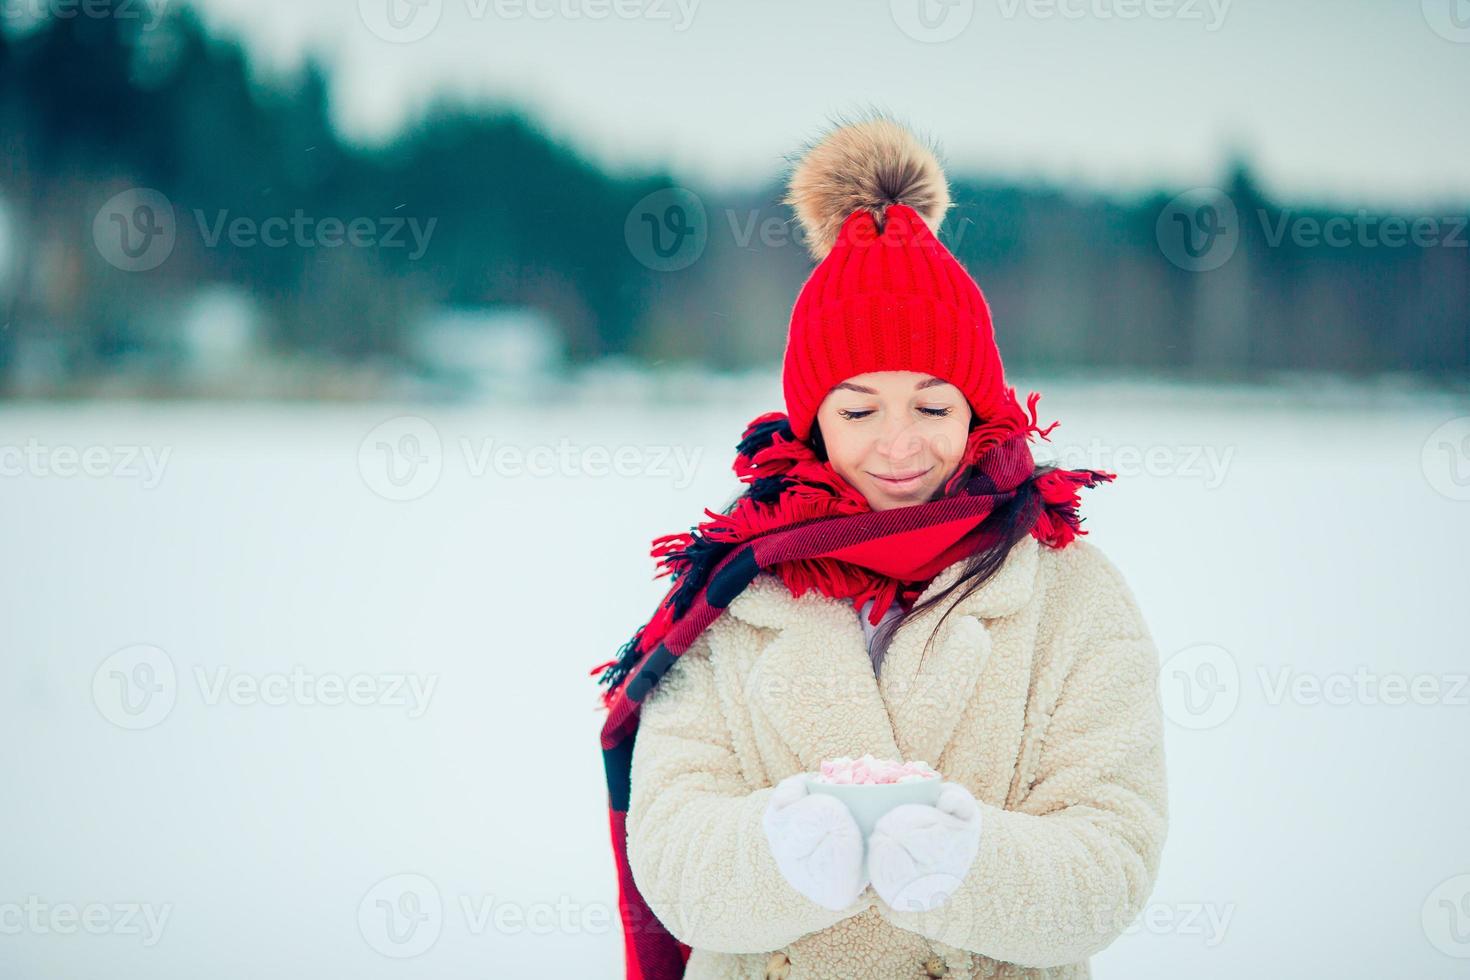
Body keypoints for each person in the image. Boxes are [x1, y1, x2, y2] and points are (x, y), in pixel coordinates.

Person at [592, 113, 1168, 980]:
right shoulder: (733, 593)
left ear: (979, 410)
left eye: (933, 408)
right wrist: (781, 853)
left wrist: (965, 865)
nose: (899, 446)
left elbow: (1113, 857)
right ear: (812, 421)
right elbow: (670, 849)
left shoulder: (1070, 592)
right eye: (859, 411)